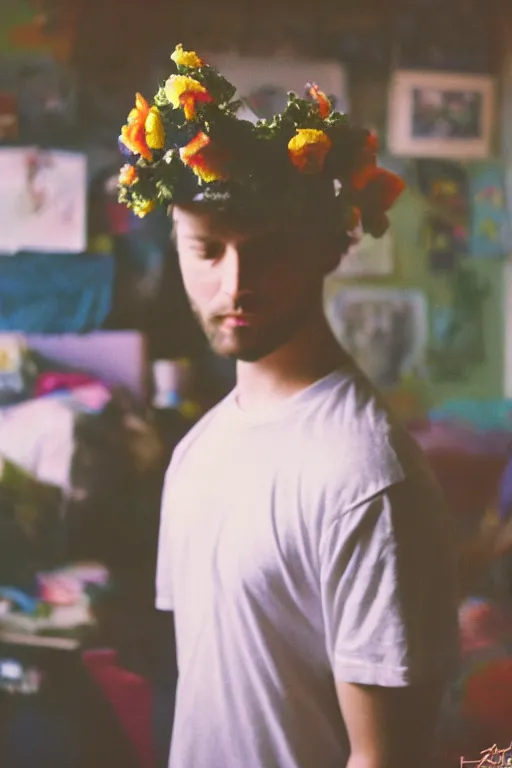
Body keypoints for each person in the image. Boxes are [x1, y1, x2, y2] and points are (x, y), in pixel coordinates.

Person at [118, 45, 459, 768]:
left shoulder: (365, 476)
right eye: (207, 250)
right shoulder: (198, 451)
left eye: (267, 250)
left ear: (328, 250)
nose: (234, 283)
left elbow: (384, 758)